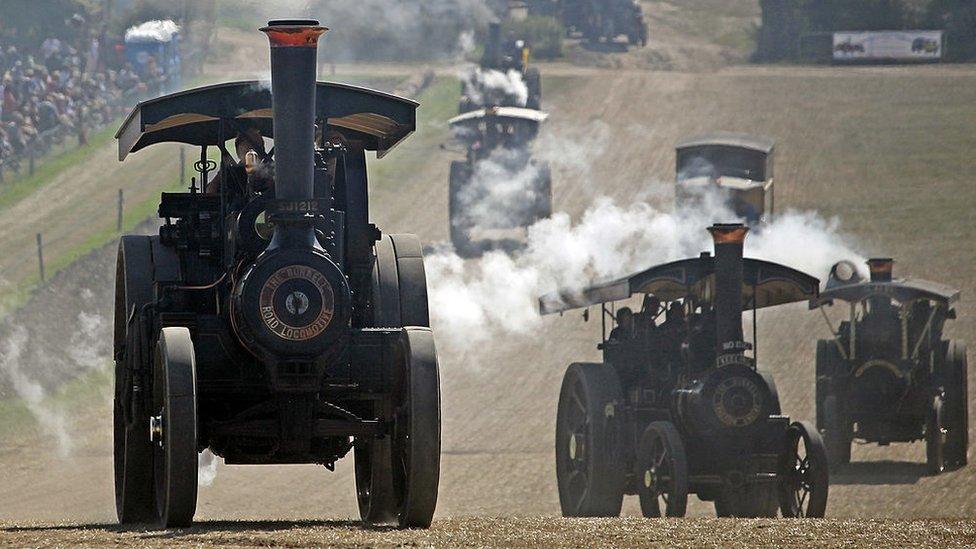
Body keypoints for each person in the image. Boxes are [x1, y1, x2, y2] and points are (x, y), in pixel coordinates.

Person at [205, 128, 267, 195]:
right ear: (238, 151)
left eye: (255, 146)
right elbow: (210, 192)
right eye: (246, 146)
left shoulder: (270, 172)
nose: (251, 151)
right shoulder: (230, 173)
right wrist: (221, 174)